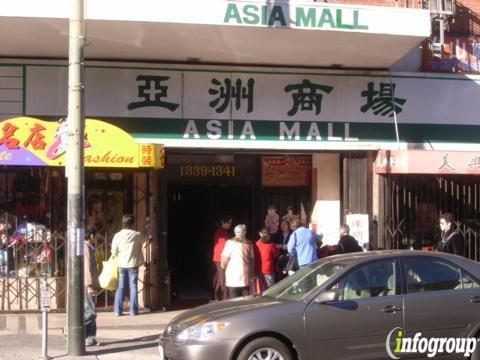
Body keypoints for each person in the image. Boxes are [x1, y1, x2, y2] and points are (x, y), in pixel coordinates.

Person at [111, 214, 150, 316]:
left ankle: (117, 311)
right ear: (132, 224)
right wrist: (146, 228)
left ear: (123, 223)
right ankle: (133, 310)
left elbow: (114, 251)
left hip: (121, 265)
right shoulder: (136, 235)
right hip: (133, 265)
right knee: (133, 286)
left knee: (120, 287)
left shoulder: (117, 235)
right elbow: (146, 238)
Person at [221, 224, 254, 298]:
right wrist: (252, 274)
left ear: (235, 232)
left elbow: (224, 262)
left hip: (233, 279)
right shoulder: (249, 243)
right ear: (245, 232)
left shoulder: (230, 243)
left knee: (234, 303)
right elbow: (252, 259)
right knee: (246, 303)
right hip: (246, 279)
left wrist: (223, 268)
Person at [84, 226, 100, 346]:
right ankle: (71, 330)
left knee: (90, 310)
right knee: (90, 312)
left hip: (88, 285)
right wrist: (89, 285)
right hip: (86, 285)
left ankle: (90, 338)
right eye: (96, 235)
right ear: (91, 236)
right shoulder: (86, 249)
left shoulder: (89, 248)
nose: (96, 238)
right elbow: (86, 268)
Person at [212, 215, 232, 301]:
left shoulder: (223, 231)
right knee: (223, 277)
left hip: (220, 257)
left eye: (231, 222)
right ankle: (225, 297)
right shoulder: (221, 232)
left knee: (220, 277)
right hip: (220, 258)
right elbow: (223, 246)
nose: (230, 224)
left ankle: (216, 295)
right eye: (228, 222)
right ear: (223, 222)